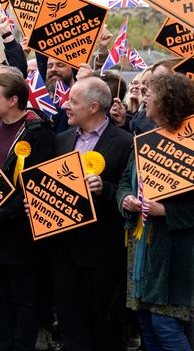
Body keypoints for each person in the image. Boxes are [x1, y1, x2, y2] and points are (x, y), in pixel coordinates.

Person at [54, 77, 133, 351]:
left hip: (101, 254)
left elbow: (130, 192)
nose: (66, 105)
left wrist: (105, 189)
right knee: (70, 325)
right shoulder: (61, 140)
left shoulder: (125, 143)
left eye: (73, 101)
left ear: (94, 106)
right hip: (63, 251)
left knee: (104, 326)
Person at [0, 72, 55, 351]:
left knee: (23, 299)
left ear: (13, 100)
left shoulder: (38, 131)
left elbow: (36, 186)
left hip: (22, 234)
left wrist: (3, 214)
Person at [117, 72, 194, 351]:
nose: (144, 97)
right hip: (141, 247)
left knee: (165, 325)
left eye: (151, 93)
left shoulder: (190, 144)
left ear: (169, 101)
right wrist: (125, 199)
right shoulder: (145, 139)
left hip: (174, 251)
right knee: (147, 323)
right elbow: (126, 180)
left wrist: (168, 211)